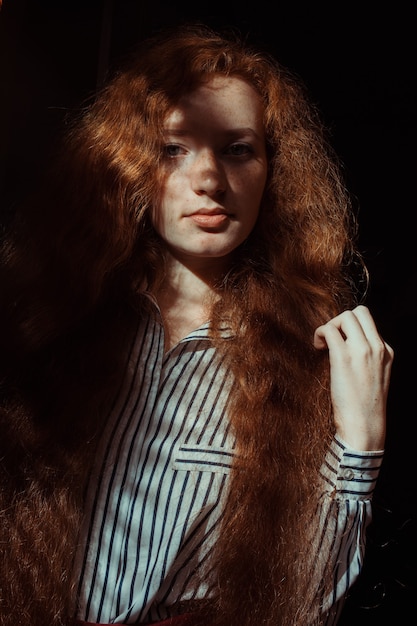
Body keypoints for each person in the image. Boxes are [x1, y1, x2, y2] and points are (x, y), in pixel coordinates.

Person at [0, 22, 393, 626]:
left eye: (238, 149)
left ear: (274, 171)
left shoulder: (300, 357)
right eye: (172, 148)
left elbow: (305, 608)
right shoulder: (44, 321)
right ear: (125, 163)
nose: (208, 180)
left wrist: (360, 442)